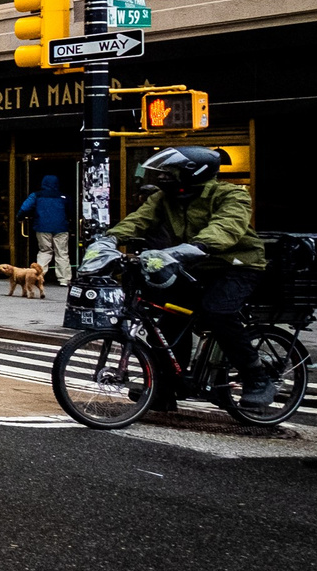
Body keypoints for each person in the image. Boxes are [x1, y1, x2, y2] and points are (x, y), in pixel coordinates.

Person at [103, 146, 274, 408]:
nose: (162, 178)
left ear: (195, 173)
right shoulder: (163, 198)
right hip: (196, 266)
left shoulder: (230, 195)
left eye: (170, 173)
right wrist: (109, 240)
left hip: (237, 266)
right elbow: (138, 220)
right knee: (170, 315)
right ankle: (166, 388)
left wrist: (196, 247)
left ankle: (257, 378)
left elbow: (227, 227)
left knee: (217, 312)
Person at [16, 173, 73, 287]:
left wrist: (20, 217)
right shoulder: (64, 196)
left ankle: (38, 276)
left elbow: (24, 208)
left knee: (45, 251)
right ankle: (64, 279)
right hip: (61, 228)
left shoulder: (37, 195)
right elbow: (71, 211)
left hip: (42, 227)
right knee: (62, 253)